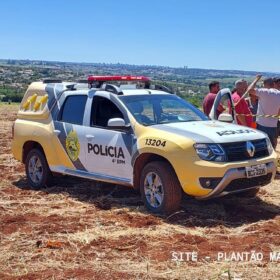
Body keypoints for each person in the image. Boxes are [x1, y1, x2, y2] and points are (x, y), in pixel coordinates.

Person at [249, 77, 280, 149]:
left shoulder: (264, 92)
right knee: (272, 147)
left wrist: (255, 80)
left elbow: (250, 90)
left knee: (261, 147)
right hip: (273, 125)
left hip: (261, 124)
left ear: (266, 84)